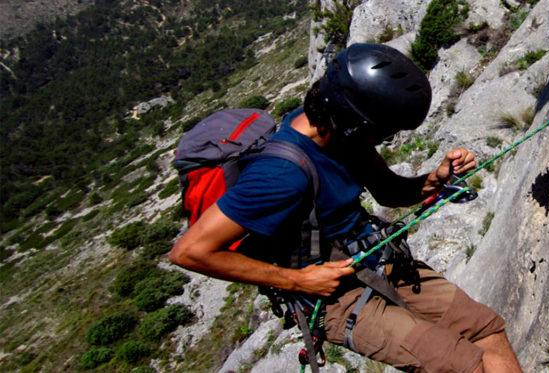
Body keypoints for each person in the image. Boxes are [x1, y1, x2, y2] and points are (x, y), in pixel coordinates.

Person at [169, 43, 522, 373]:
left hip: (380, 260)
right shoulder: (280, 175)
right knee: (464, 365)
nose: (385, 141)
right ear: (356, 122)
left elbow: (388, 191)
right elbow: (189, 252)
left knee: (487, 329)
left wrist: (434, 180)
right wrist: (300, 280)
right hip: (337, 297)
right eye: (383, 134)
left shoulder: (337, 128)